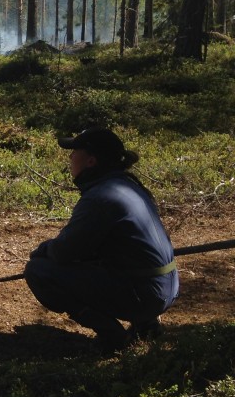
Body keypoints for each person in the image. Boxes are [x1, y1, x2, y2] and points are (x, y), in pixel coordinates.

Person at [24, 127, 179, 354]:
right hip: (168, 287)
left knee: (39, 270)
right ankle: (146, 325)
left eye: (75, 151)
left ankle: (114, 338)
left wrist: (43, 250)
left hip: (146, 294)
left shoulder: (100, 197)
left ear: (91, 161)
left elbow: (64, 252)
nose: (70, 157)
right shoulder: (128, 185)